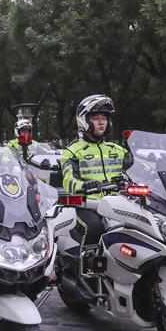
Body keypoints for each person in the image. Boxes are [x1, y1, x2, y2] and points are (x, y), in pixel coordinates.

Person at [60, 94, 130, 247]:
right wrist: (85, 186)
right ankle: (87, 268)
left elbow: (139, 171)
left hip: (119, 204)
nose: (101, 122)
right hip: (88, 205)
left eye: (104, 118)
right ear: (84, 121)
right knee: (94, 229)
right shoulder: (72, 152)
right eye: (96, 118)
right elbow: (69, 181)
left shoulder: (118, 150)